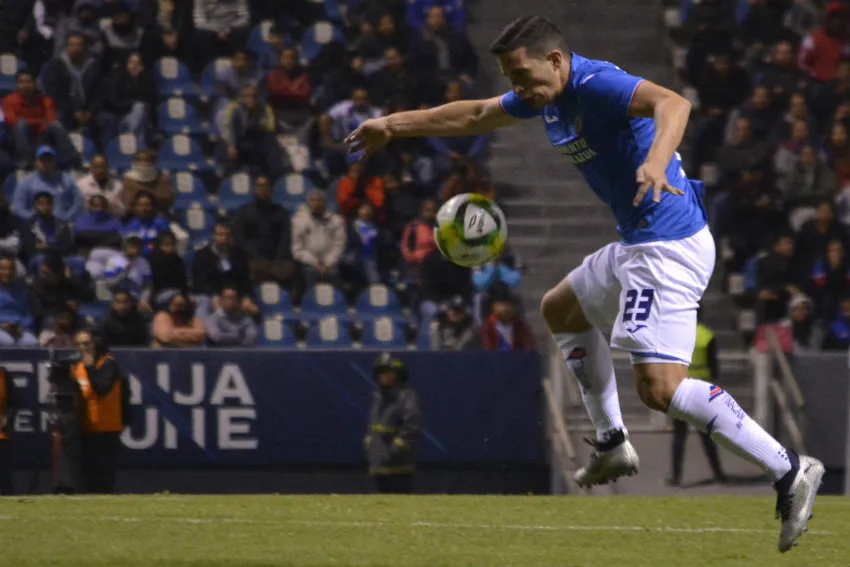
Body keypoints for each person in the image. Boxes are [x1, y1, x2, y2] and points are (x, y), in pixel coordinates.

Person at [345, 16, 823, 551]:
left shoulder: (596, 84)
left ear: (555, 60)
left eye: (521, 75)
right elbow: (476, 114)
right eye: (510, 78)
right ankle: (612, 440)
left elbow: (673, 103)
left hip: (666, 246)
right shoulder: (546, 95)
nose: (517, 88)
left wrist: (656, 163)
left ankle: (789, 468)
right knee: (560, 308)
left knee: (661, 390)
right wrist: (393, 126)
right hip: (638, 243)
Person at [667, 305, 726, 486]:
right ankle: (719, 474)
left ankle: (676, 476)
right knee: (707, 435)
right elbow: (714, 368)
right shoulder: (707, 335)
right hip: (701, 391)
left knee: (679, 434)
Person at [71, 329, 131, 493]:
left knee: (103, 476)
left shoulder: (107, 364)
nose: (83, 348)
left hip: (106, 428)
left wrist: (90, 367)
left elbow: (102, 389)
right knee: (88, 475)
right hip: (86, 427)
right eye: (79, 344)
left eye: (87, 344)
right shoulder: (78, 367)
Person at [364, 353, 421, 494]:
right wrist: (370, 442)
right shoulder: (378, 397)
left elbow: (411, 425)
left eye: (388, 372)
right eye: (381, 373)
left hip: (398, 465)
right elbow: (374, 425)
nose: (383, 376)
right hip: (378, 463)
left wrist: (396, 448)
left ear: (398, 374)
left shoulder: (406, 396)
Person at [11, 145, 83, 223]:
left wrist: (67, 217)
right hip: (36, 225)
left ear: (55, 162)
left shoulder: (66, 179)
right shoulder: (26, 183)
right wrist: (32, 218)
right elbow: (18, 206)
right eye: (42, 160)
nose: (46, 163)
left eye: (49, 159)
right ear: (35, 163)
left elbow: (78, 202)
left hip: (62, 223)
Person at [0, 364, 17, 495]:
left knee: (3, 471)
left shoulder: (4, 375)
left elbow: (14, 402)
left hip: (1, 433)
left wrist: (7, 418)